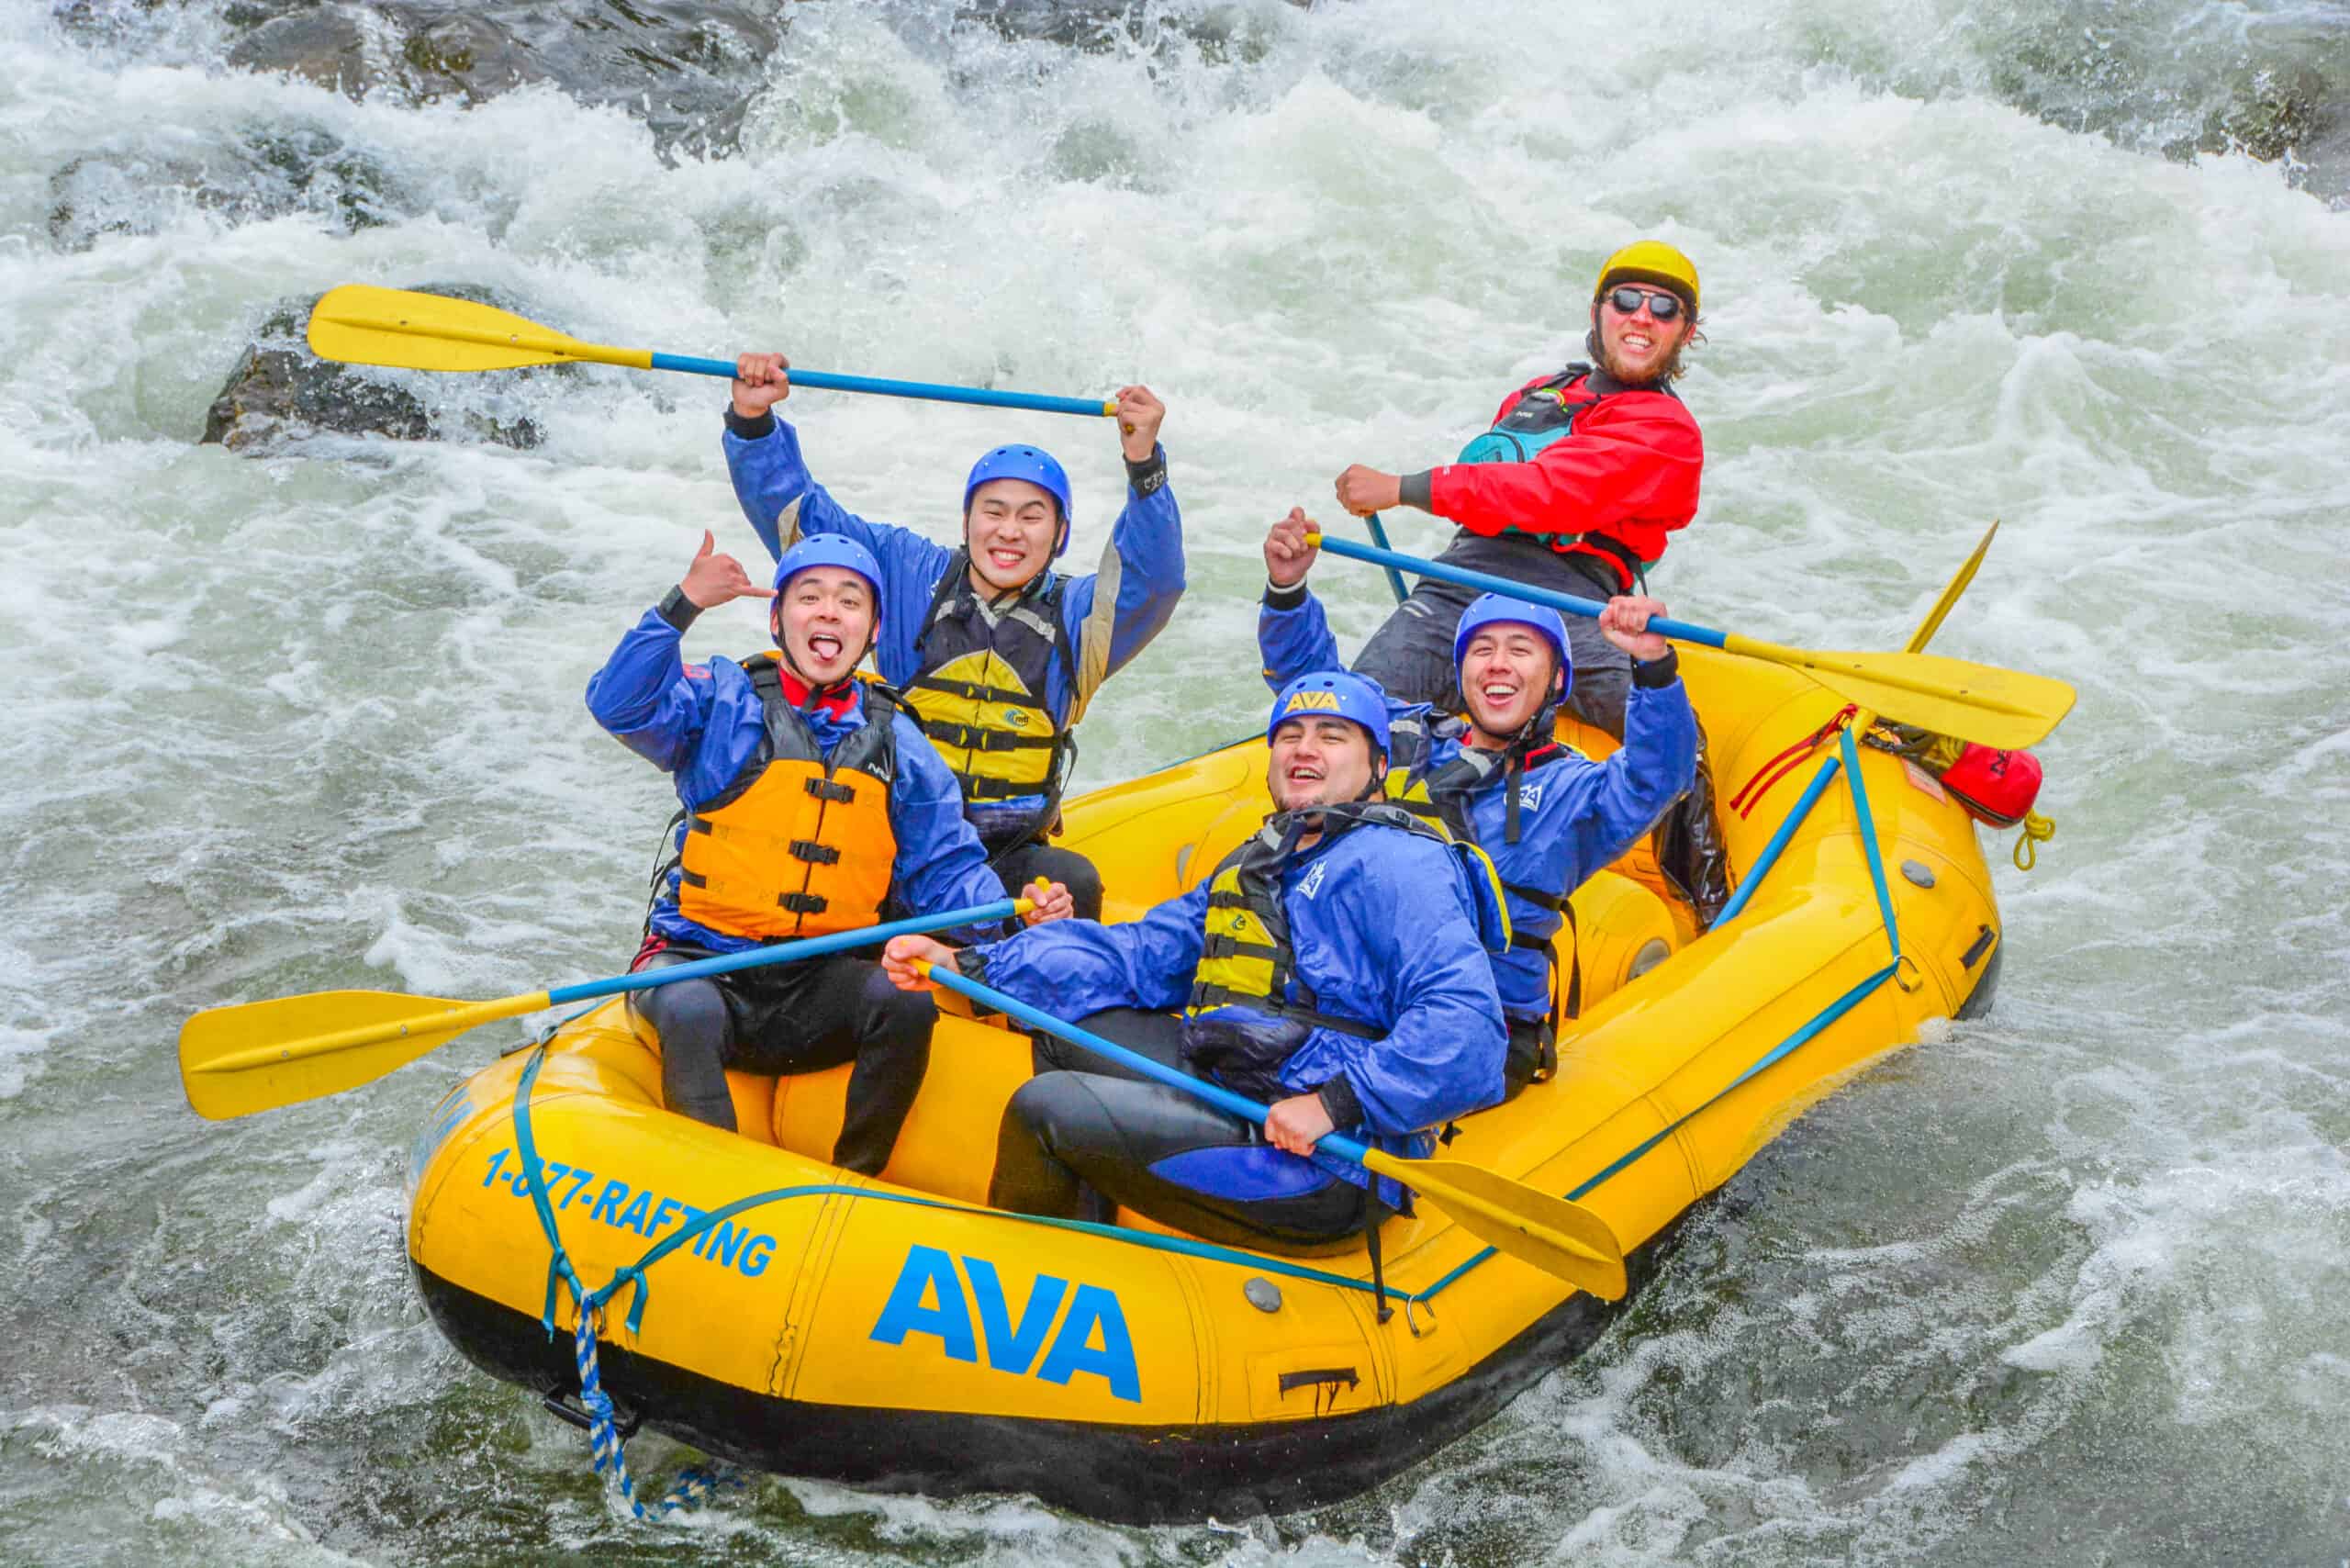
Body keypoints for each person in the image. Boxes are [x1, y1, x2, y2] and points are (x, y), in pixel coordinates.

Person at [882, 671, 1509, 1257]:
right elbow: (1135, 955)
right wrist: (976, 966)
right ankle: (1098, 1243)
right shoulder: (1260, 861)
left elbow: (1470, 1030)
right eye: (1288, 735)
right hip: (1243, 1087)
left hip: (1328, 1158)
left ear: (1378, 766)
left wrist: (1336, 1105)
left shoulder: (1397, 865)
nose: (1303, 748)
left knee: (1044, 1107)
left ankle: (1022, 1289)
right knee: (1062, 1027)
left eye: (1332, 735)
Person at [585, 531, 1071, 1173]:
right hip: (702, 963)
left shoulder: (900, 742)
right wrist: (683, 605)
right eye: (809, 597)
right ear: (777, 617)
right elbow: (617, 703)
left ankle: (853, 1182)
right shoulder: (722, 701)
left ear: (872, 632)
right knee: (689, 1008)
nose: (827, 612)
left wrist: (1018, 921)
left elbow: (946, 871)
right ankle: (712, 1188)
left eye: (849, 602)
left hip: (817, 981)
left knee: (905, 1002)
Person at [1327, 240, 1728, 921]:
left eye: (1665, 309)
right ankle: (1350, 870)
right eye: (1626, 300)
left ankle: (1707, 906)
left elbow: (1548, 493)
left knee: (1676, 739)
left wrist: (1405, 488)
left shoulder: (1667, 430)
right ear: (1600, 311)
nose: (1642, 317)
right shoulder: (1538, 394)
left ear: (1685, 333)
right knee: (1351, 714)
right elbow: (1496, 489)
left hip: (1573, 598)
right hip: (1462, 583)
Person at [721, 354, 1185, 921]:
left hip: (1008, 853)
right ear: (967, 520)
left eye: (1031, 516)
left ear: (1060, 535)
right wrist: (754, 424)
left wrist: (1145, 465)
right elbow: (802, 520)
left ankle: (1020, 993)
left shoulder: (1080, 618)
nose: (1008, 531)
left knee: (1073, 881)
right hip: (896, 840)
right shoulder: (909, 576)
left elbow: (1154, 580)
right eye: (993, 511)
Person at [1259, 509, 1697, 1095]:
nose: (1498, 663)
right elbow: (1316, 691)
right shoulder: (1413, 737)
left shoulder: (1571, 791)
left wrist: (1653, 664)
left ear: (1554, 681)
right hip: (1354, 1002)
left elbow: (1658, 773)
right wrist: (1287, 590)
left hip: (1466, 1036)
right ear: (1460, 669)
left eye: (1521, 650)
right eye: (1482, 649)